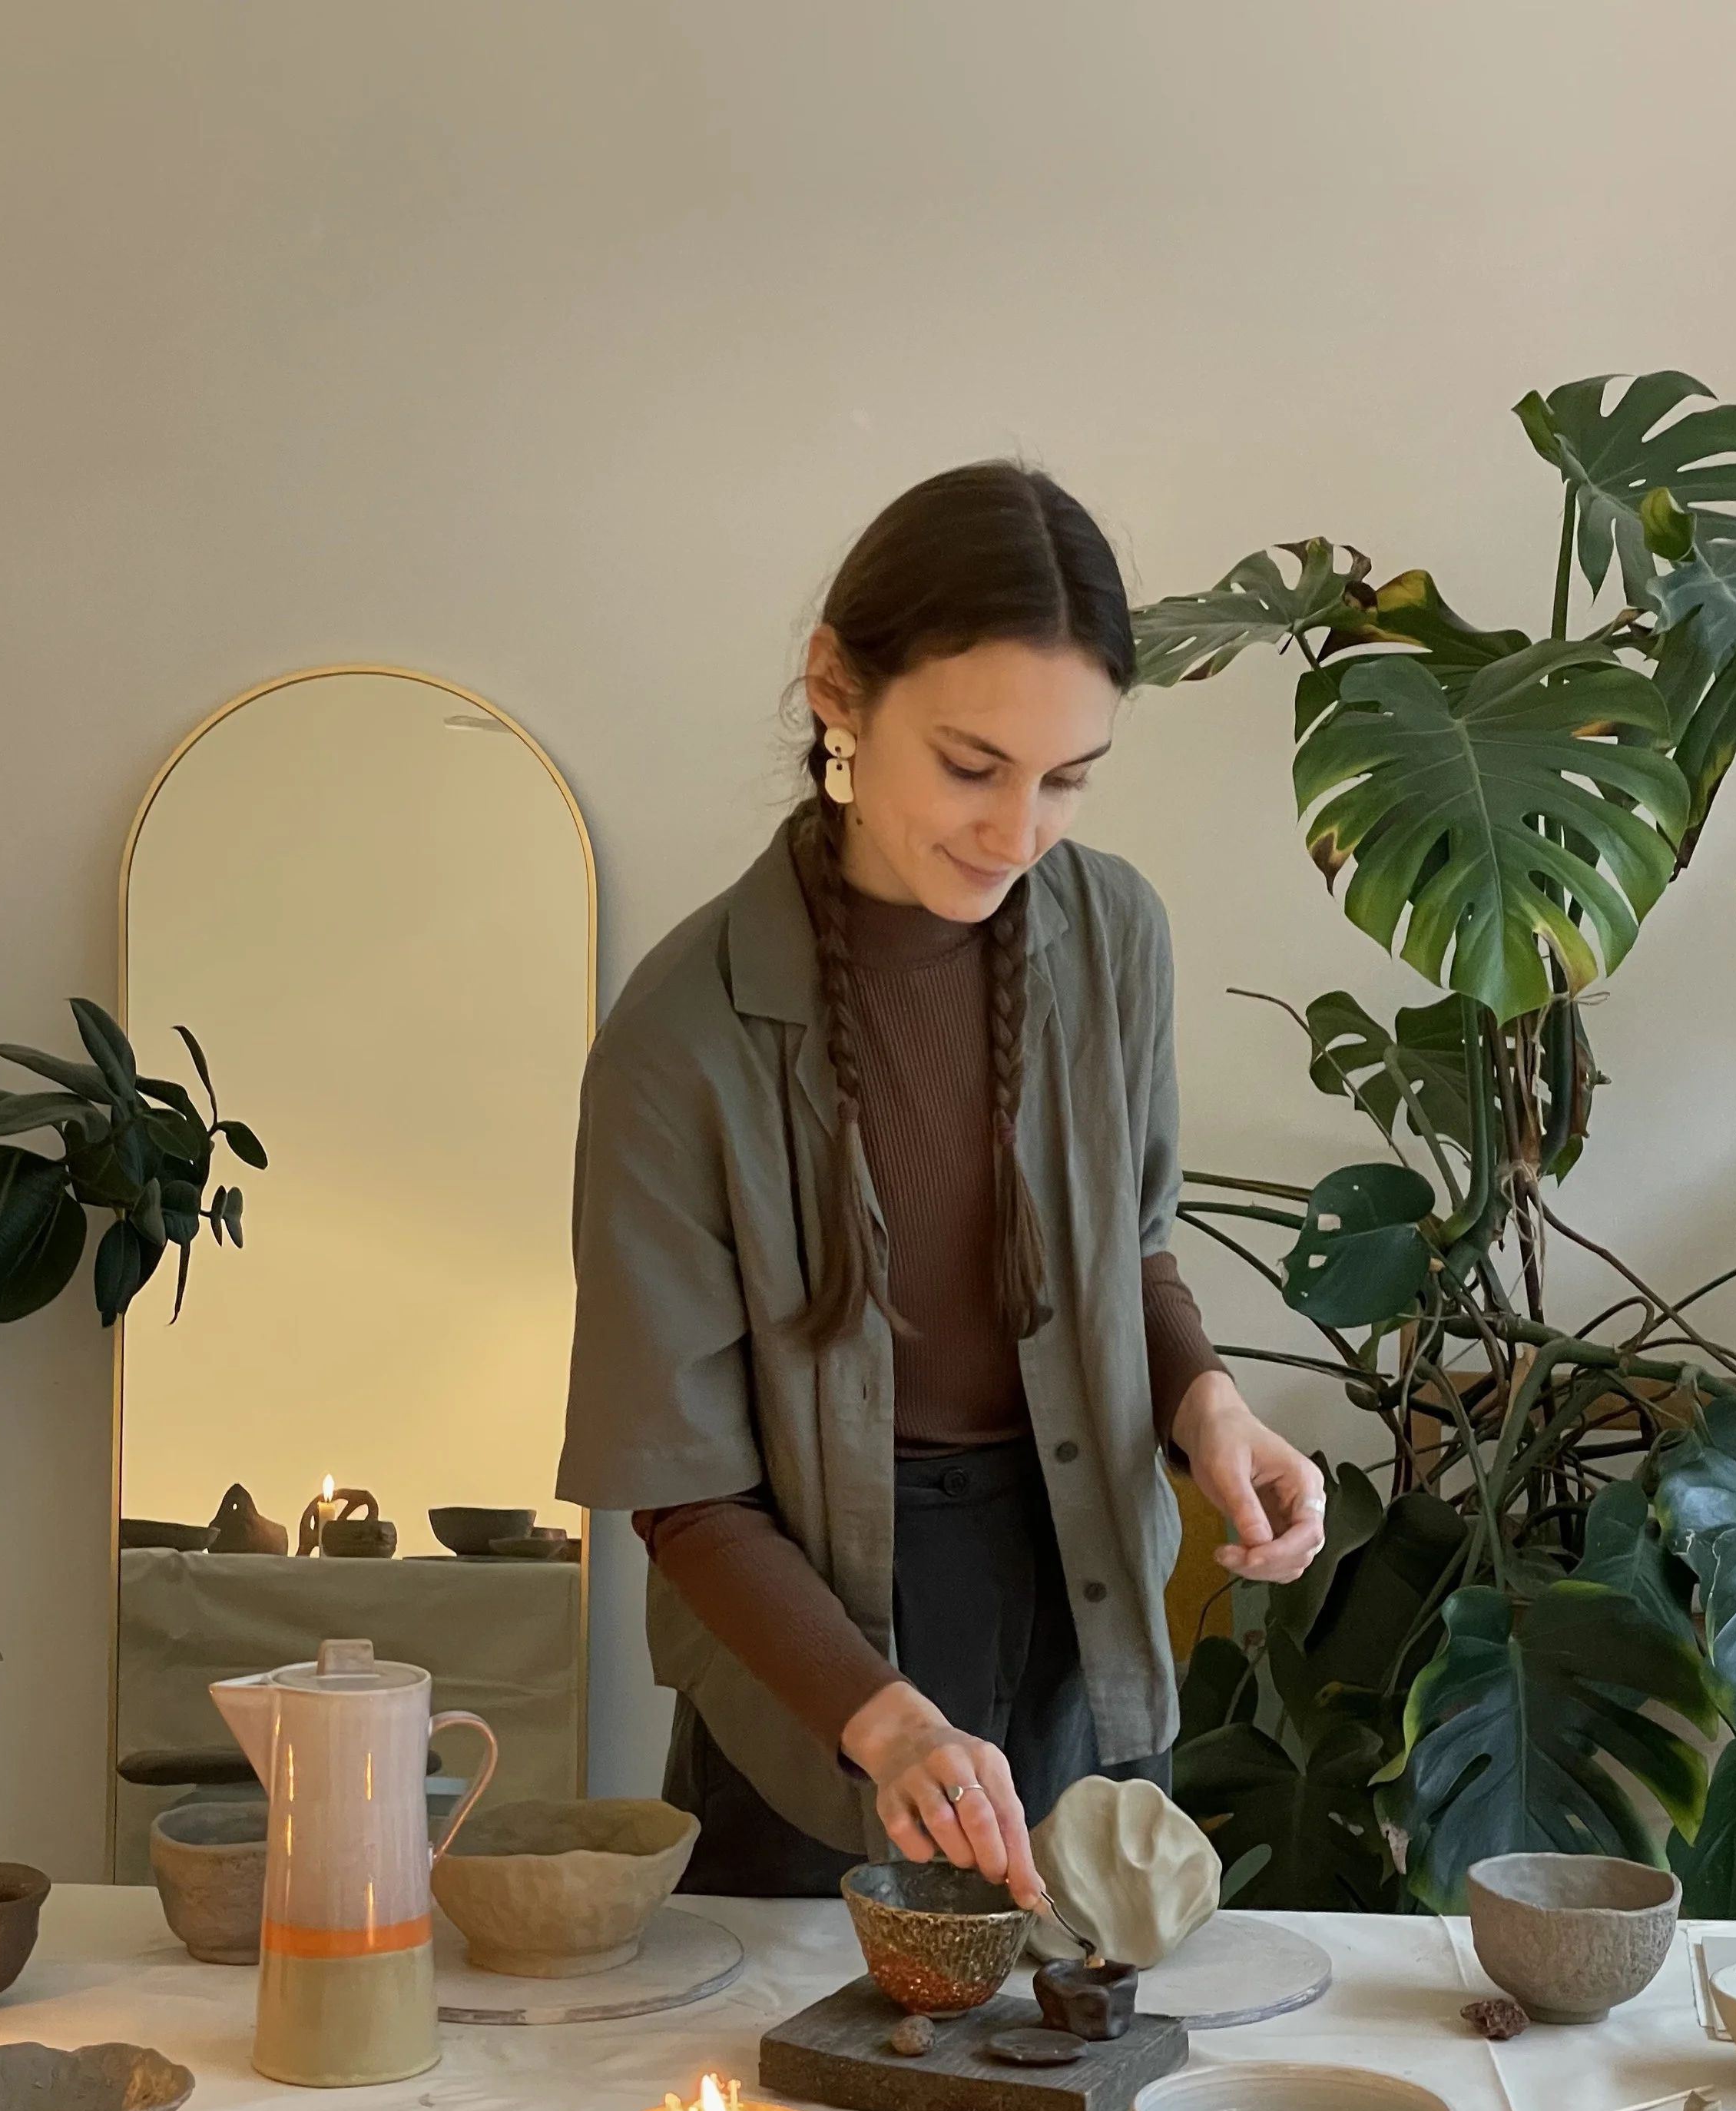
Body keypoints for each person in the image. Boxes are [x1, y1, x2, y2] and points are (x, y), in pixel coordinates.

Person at [558, 461, 1325, 1907]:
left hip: (1080, 1601)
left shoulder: (1114, 940)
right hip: (811, 1662)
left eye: (1068, 780)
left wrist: (1208, 1405)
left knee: (1085, 2070)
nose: (1019, 832)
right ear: (838, 691)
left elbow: (1135, 1260)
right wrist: (884, 1719)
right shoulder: (679, 1042)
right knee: (808, 2100)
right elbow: (685, 1496)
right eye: (973, 766)